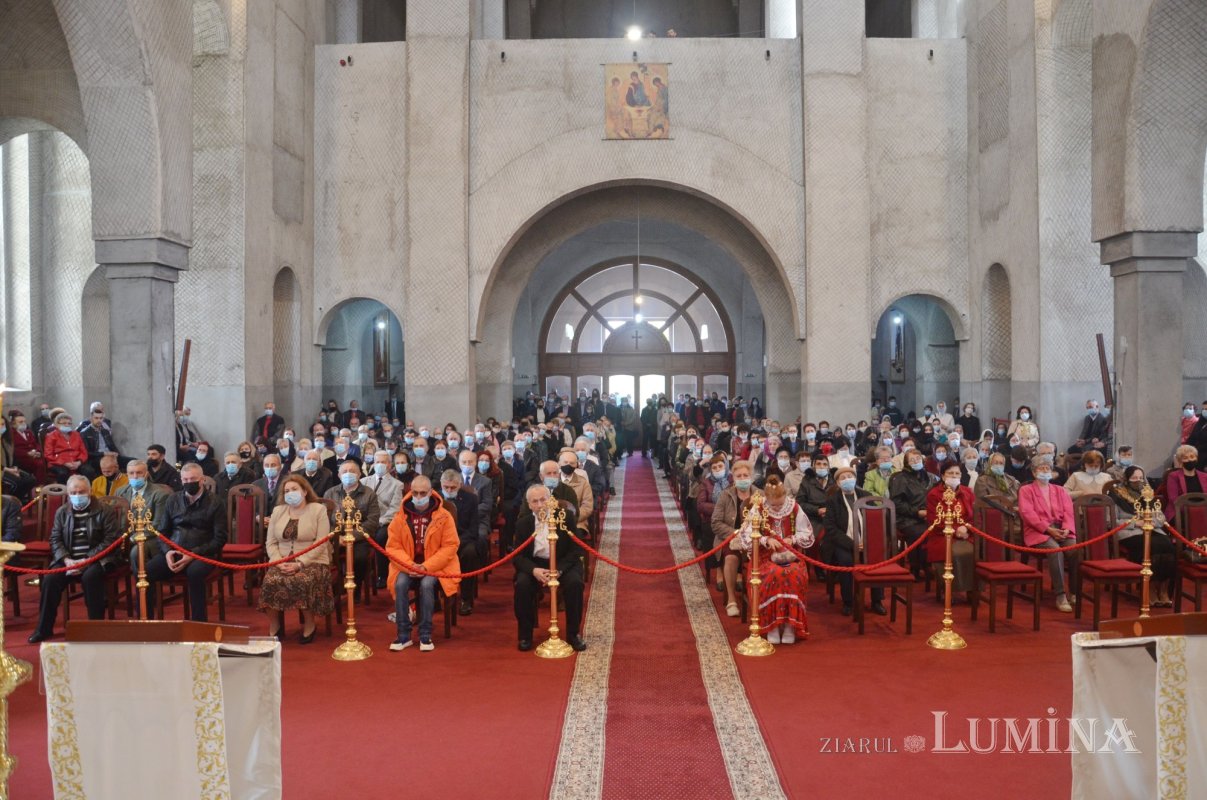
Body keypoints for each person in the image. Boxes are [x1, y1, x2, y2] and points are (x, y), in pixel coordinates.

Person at [27, 475, 122, 643]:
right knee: (50, 579)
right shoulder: (62, 512)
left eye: (81, 491)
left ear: (90, 491)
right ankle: (43, 629)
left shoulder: (104, 510)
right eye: (73, 492)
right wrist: (65, 559)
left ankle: (96, 627)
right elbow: (55, 539)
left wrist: (86, 559)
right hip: (68, 560)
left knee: (90, 577)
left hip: (98, 559)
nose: (77, 495)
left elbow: (111, 540)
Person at [733, 473, 813, 644]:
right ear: (766, 498)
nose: (776, 508)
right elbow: (745, 534)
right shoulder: (758, 507)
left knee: (793, 574)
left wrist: (793, 539)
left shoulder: (794, 507)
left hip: (792, 556)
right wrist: (765, 539)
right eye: (773, 504)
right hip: (764, 557)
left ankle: (791, 625)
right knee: (774, 574)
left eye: (780, 503)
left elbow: (806, 532)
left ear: (785, 496)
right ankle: (773, 625)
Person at [144, 463, 227, 621]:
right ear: (181, 480)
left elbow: (220, 539)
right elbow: (162, 532)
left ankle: (198, 623)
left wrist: (193, 554)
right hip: (174, 550)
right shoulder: (173, 499)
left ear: (202, 480)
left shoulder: (216, 502)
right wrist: (167, 551)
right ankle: (147, 620)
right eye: (186, 479)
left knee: (194, 573)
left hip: (203, 553)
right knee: (146, 570)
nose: (189, 482)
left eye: (193, 479)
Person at [386, 475, 460, 652]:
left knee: (427, 584)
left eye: (422, 493)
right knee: (401, 583)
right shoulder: (400, 516)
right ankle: (403, 634)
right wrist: (410, 566)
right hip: (407, 565)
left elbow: (450, 546)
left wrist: (426, 567)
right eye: (415, 493)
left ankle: (425, 634)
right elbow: (393, 547)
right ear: (410, 493)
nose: (419, 497)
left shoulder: (444, 516)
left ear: (430, 492)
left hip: (436, 566)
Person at [513, 484, 587, 652]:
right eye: (535, 501)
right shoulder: (523, 524)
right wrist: (534, 570)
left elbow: (576, 550)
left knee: (575, 584)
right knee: (522, 586)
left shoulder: (565, 517)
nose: (540, 505)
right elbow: (517, 556)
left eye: (543, 500)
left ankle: (573, 634)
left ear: (551, 501)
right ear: (529, 504)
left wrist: (559, 570)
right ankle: (525, 635)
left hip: (563, 563)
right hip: (536, 565)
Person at [260, 477, 334, 643]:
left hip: (313, 561)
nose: (290, 493)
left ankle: (309, 624)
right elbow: (270, 542)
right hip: (282, 561)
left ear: (305, 491)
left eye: (294, 489)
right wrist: (278, 561)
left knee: (303, 580)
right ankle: (275, 624)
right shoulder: (278, 511)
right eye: (286, 491)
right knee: (270, 581)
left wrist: (300, 563)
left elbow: (321, 542)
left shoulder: (318, 510)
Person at [1017, 456, 1077, 612]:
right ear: (1034, 472)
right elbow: (1027, 513)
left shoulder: (1060, 490)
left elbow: (1069, 512)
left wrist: (1066, 529)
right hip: (1038, 531)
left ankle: (1074, 591)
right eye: (1041, 468)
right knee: (1055, 550)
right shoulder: (1026, 490)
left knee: (1074, 549)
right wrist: (1048, 529)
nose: (1045, 471)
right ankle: (1060, 595)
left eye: (1047, 468)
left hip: (1061, 529)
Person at [1109, 466, 1175, 606]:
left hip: (1153, 528)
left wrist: (1150, 521)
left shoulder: (1148, 493)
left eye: (1140, 478)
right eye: (1134, 478)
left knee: (1168, 546)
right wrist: (1136, 522)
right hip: (1130, 531)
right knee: (1152, 547)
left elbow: (1160, 516)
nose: (1138, 481)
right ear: (1126, 479)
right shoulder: (1116, 494)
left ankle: (1163, 589)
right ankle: (1148, 588)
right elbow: (1111, 520)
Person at [823, 466, 884, 617]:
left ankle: (877, 601)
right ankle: (848, 601)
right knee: (846, 561)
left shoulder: (866, 496)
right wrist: (853, 544)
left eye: (850, 476)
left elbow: (876, 521)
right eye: (843, 478)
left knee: (875, 558)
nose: (847, 480)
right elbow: (831, 529)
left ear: (855, 478)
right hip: (844, 542)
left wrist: (868, 542)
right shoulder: (833, 500)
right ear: (837, 483)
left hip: (867, 541)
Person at [711, 460, 758, 617]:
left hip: (755, 540)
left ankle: (759, 599)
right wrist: (735, 532)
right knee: (731, 558)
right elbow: (715, 522)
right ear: (733, 477)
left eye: (746, 475)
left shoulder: (760, 494)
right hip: (731, 539)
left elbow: (768, 519)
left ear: (751, 476)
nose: (743, 478)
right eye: (739, 476)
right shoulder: (725, 495)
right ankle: (731, 599)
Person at [323, 461, 380, 588]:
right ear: (339, 475)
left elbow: (372, 522)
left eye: (352, 471)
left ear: (359, 474)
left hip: (359, 538)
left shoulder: (369, 494)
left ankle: (356, 587)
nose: (348, 474)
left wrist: (352, 536)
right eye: (344, 472)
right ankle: (333, 587)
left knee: (359, 558)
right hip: (334, 537)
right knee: (321, 556)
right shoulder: (330, 493)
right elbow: (323, 520)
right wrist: (337, 537)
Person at [925, 463, 976, 600]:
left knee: (976, 551)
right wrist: (954, 531)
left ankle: (972, 588)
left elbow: (975, 517)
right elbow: (934, 520)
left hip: (966, 532)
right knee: (954, 552)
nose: (954, 476)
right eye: (950, 473)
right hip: (942, 534)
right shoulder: (934, 494)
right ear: (942, 476)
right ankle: (948, 589)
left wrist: (966, 528)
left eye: (957, 473)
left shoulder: (968, 492)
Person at [889, 448, 935, 579]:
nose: (916, 462)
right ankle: (917, 567)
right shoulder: (899, 478)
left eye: (918, 459)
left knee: (940, 530)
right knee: (920, 532)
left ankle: (934, 564)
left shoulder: (928, 477)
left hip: (928, 515)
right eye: (912, 460)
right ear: (906, 462)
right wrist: (917, 512)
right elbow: (897, 503)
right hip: (907, 518)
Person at [118, 459, 172, 569]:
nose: (135, 476)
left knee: (136, 552)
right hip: (125, 537)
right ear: (126, 475)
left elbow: (157, 525)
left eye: (139, 473)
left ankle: (143, 585)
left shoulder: (159, 494)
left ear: (146, 474)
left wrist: (133, 539)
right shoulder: (120, 492)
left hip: (150, 537)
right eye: (131, 473)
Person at [363, 452, 405, 590]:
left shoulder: (397, 485)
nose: (380, 464)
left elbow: (394, 509)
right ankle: (360, 574)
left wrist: (378, 522)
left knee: (382, 536)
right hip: (364, 520)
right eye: (377, 461)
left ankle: (382, 574)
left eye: (384, 462)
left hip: (384, 521)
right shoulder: (364, 482)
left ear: (389, 464)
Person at [44, 412, 92, 482]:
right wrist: (64, 463)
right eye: (64, 423)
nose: (67, 425)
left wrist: (79, 462)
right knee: (63, 473)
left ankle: (85, 490)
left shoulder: (76, 434)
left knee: (89, 471)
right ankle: (64, 492)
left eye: (69, 423)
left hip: (76, 461)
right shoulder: (51, 436)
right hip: (58, 462)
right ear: (57, 425)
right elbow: (48, 455)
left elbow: (83, 451)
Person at [9, 412, 47, 484]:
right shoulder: (11, 434)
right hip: (21, 458)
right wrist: (27, 453)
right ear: (13, 424)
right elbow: (13, 449)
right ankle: (39, 485)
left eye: (24, 421)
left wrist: (38, 451)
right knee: (39, 464)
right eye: (20, 422)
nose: (23, 423)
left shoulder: (28, 432)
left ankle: (44, 483)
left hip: (34, 455)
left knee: (46, 460)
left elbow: (36, 444)